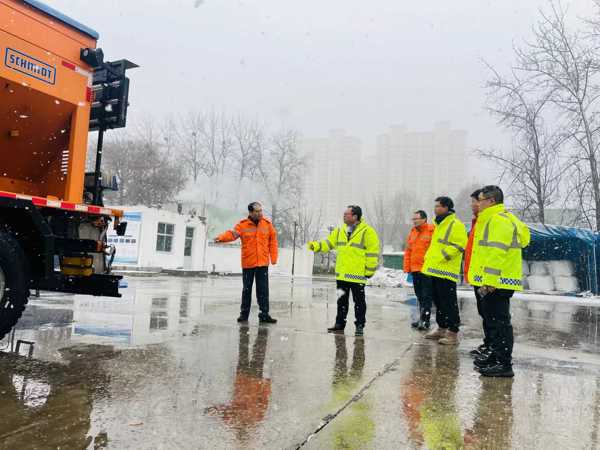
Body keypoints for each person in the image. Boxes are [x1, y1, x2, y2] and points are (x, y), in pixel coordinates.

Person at [469, 185, 530, 377]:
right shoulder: (493, 219)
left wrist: (489, 281)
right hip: (495, 280)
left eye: (480, 200)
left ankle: (503, 364)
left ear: (491, 201)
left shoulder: (498, 220)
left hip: (497, 281)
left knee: (499, 323)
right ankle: (495, 356)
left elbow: (496, 253)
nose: (477, 204)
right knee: (493, 321)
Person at [308, 205, 380, 336]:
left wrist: (369, 271)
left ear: (355, 216)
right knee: (341, 301)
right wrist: (316, 246)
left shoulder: (367, 232)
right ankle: (339, 324)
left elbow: (372, 253)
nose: (344, 216)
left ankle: (359, 325)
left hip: (357, 275)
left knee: (359, 302)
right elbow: (329, 243)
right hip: (341, 275)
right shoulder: (340, 230)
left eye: (347, 214)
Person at [215, 202, 278, 324]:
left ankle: (264, 315)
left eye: (261, 211)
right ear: (250, 212)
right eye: (257, 211)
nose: (260, 213)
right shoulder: (243, 225)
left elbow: (273, 241)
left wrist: (273, 257)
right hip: (248, 263)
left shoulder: (267, 224)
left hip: (262, 263)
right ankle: (244, 315)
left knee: (263, 291)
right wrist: (221, 238)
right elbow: (232, 234)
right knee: (247, 290)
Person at [421, 196, 468, 345]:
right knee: (438, 301)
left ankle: (453, 332)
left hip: (446, 269)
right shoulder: (439, 224)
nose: (435, 209)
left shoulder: (455, 224)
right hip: (434, 269)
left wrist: (443, 256)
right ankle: (441, 328)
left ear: (447, 207)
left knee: (449, 302)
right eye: (435, 206)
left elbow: (460, 244)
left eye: (438, 206)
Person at [463, 189, 490, 358]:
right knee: (484, 312)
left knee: (491, 314)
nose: (473, 205)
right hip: (478, 274)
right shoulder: (478, 222)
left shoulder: (489, 222)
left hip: (487, 276)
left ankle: (493, 348)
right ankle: (488, 344)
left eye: (475, 201)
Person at [403, 210, 435, 330]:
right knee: (419, 295)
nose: (414, 221)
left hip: (427, 269)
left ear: (424, 219)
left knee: (427, 296)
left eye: (416, 219)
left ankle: (425, 321)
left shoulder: (432, 230)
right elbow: (408, 251)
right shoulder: (413, 232)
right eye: (413, 219)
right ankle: (421, 318)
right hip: (415, 269)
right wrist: (407, 267)